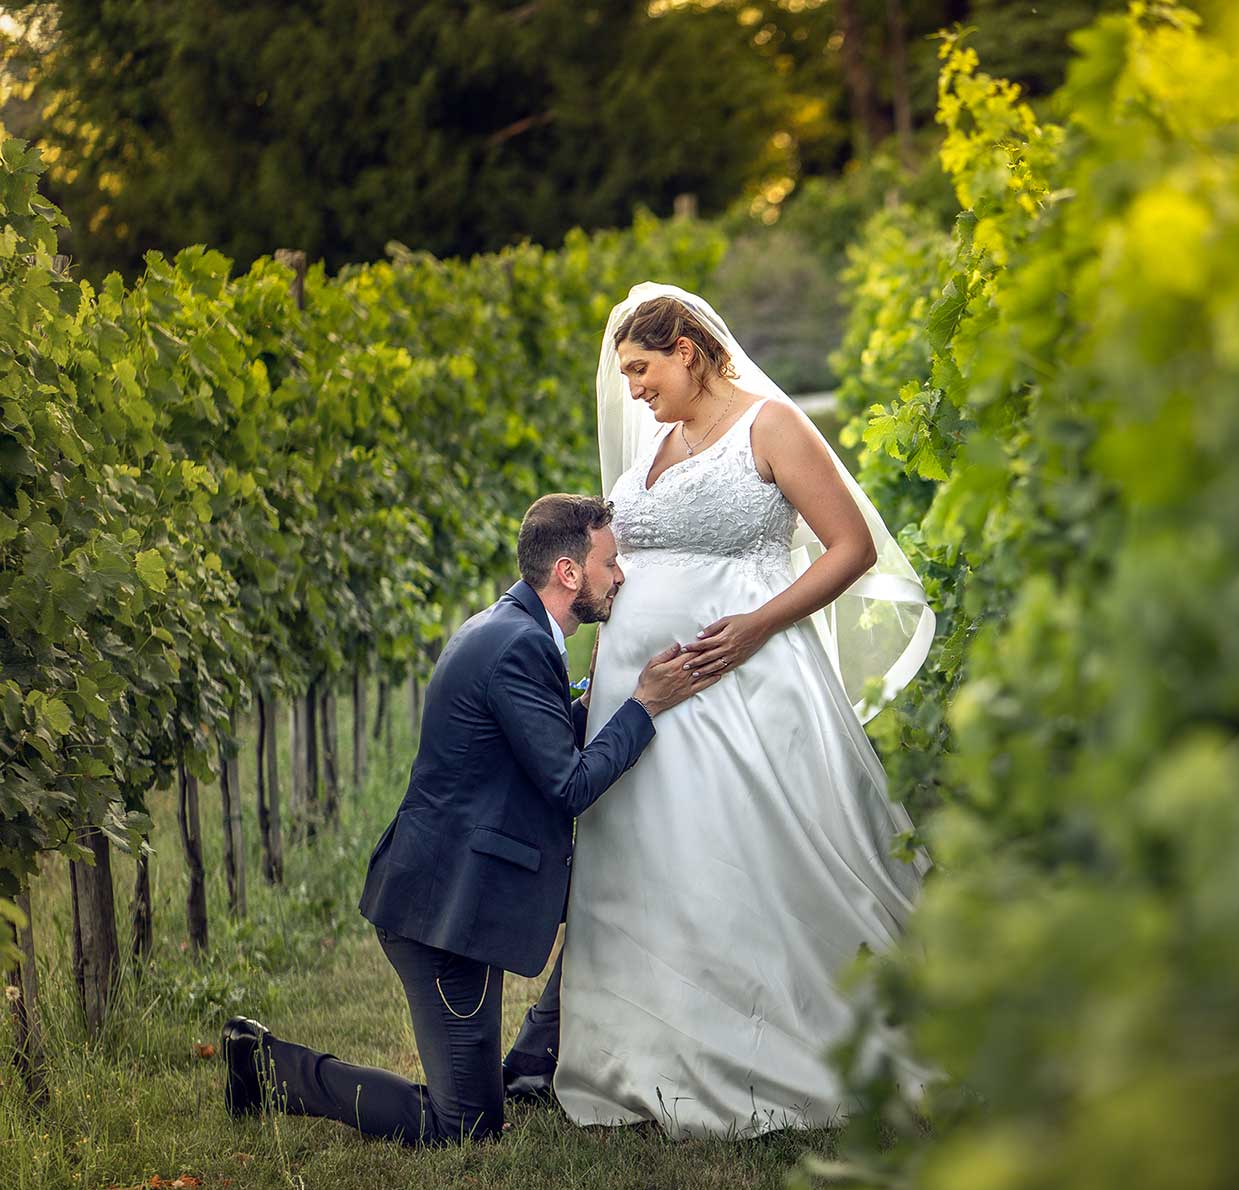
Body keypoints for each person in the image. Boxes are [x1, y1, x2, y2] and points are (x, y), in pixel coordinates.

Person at [554, 285, 934, 1134]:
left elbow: (852, 546)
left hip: (744, 680)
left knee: (743, 861)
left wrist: (757, 628)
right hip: (641, 698)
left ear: (687, 349)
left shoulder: (770, 426)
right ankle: (646, 1056)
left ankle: (773, 1046)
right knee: (649, 864)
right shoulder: (651, 443)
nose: (635, 390)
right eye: (626, 375)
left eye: (643, 369)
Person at [220, 494, 712, 1144]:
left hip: (461, 880)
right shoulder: (518, 646)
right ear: (569, 572)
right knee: (467, 1127)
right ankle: (265, 1067)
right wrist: (643, 705)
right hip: (444, 917)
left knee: (612, 902)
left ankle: (534, 1063)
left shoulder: (515, 628)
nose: (619, 576)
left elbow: (536, 742)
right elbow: (568, 784)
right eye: (609, 562)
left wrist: (597, 698)